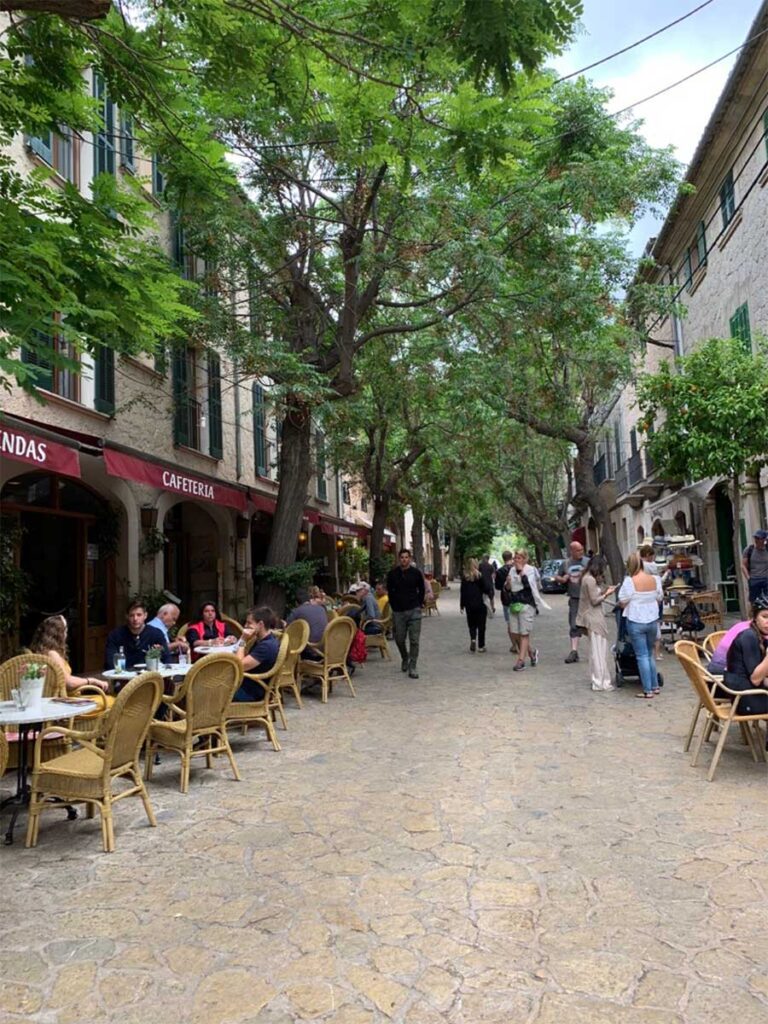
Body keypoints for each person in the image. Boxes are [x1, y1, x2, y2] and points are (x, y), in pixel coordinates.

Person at [618, 552, 663, 698]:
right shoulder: (654, 579)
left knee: (641, 655)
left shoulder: (629, 581)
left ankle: (647, 689)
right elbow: (659, 598)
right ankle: (655, 685)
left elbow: (623, 601)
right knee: (649, 653)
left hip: (636, 620)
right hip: (652, 620)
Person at [30, 615, 109, 693]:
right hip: (65, 699)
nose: (66, 634)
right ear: (59, 634)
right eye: (65, 631)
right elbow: (69, 683)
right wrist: (91, 681)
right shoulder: (52, 654)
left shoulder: (41, 651)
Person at [575, 555, 617, 691]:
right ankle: (600, 680)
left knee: (597, 650)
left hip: (593, 617)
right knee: (598, 651)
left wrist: (605, 590)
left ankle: (600, 679)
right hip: (594, 618)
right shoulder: (590, 580)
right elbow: (594, 600)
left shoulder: (587, 578)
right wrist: (607, 594)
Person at [722, 595, 768, 715]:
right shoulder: (749, 637)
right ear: (754, 618)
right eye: (764, 617)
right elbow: (756, 679)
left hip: (749, 693)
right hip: (744, 698)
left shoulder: (759, 637)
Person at [504, 549, 548, 672]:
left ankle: (521, 661)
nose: (516, 560)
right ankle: (532, 653)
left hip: (527, 604)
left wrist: (521, 573)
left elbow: (529, 587)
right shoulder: (511, 570)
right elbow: (508, 589)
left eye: (519, 558)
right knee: (514, 633)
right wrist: (507, 584)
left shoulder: (530, 570)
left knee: (524, 633)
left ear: (524, 559)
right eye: (515, 558)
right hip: (514, 603)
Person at [386, 548, 425, 679]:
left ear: (410, 559)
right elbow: (390, 591)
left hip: (414, 610)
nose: (404, 559)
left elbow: (422, 589)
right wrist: (394, 605)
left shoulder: (416, 573)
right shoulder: (393, 574)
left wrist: (419, 604)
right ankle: (405, 656)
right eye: (402, 557)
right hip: (399, 611)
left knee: (414, 640)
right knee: (399, 638)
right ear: (399, 559)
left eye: (406, 557)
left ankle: (413, 666)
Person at [104, 600, 170, 670]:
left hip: (149, 676)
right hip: (123, 676)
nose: (135, 619)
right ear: (127, 616)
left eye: (139, 615)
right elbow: (110, 662)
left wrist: (159, 652)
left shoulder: (156, 634)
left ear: (145, 615)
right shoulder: (115, 635)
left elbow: (167, 659)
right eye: (131, 615)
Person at [232, 607, 280, 701]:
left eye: (249, 623)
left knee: (211, 692)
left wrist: (243, 639)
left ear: (260, 624)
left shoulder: (266, 646)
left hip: (251, 692)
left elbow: (239, 665)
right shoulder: (263, 640)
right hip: (247, 685)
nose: (245, 626)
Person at [556, 541, 590, 663]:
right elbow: (557, 577)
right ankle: (574, 651)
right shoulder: (566, 563)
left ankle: (594, 648)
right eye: (578, 550)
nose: (581, 552)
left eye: (582, 549)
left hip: (588, 598)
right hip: (575, 598)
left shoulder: (588, 562)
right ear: (572, 551)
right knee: (574, 624)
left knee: (590, 623)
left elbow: (598, 576)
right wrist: (562, 579)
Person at [460, 558, 491, 652]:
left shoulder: (465, 577)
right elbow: (486, 589)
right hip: (480, 603)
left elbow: (463, 592)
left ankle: (473, 639)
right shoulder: (479, 576)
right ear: (476, 565)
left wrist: (462, 605)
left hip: (469, 604)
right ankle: (481, 646)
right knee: (481, 625)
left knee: (471, 624)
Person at [495, 550, 518, 653]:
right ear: (511, 557)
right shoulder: (516, 569)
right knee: (518, 621)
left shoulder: (500, 571)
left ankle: (514, 644)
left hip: (506, 599)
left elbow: (498, 587)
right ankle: (521, 643)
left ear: (503, 558)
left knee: (510, 623)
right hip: (518, 597)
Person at [742, 529, 768, 605]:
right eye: (755, 538)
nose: (756, 540)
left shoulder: (767, 549)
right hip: (754, 579)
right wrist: (748, 578)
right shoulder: (749, 550)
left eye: (758, 538)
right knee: (753, 602)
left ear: (763, 539)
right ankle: (752, 616)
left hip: (766, 579)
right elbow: (743, 565)